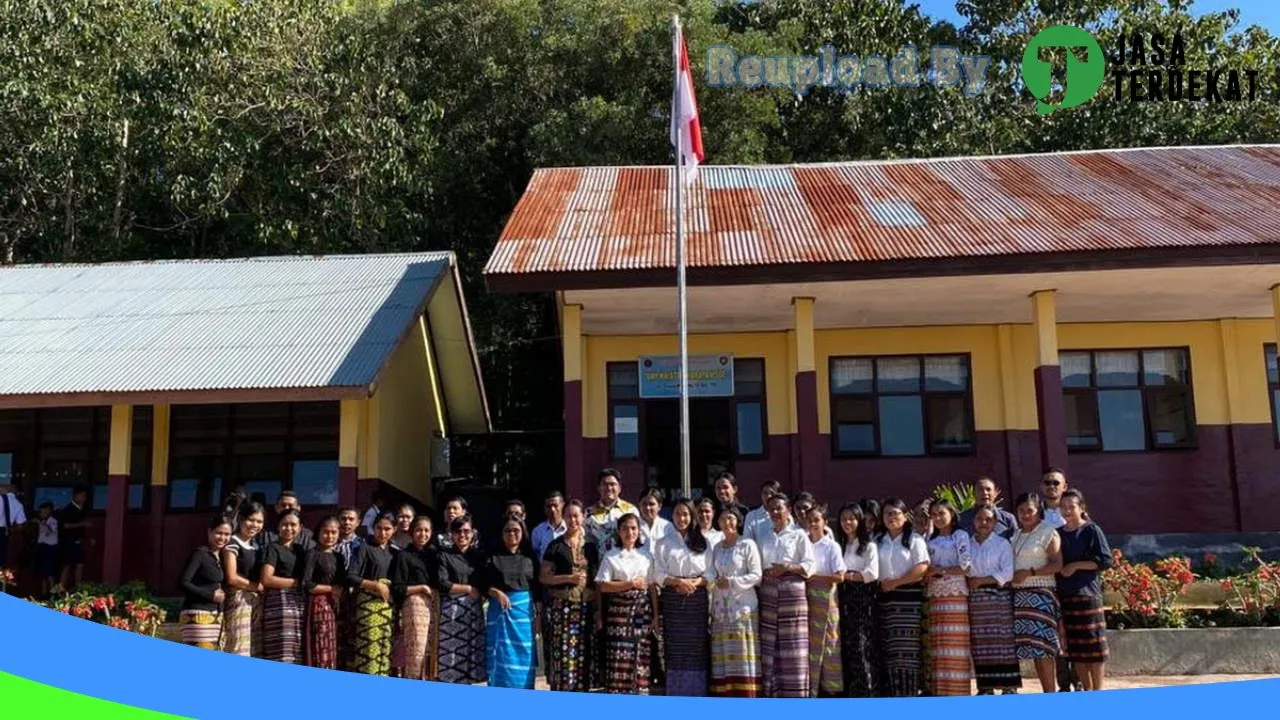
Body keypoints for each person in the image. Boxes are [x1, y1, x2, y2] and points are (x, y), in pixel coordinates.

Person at [757, 493, 815, 698]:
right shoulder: (764, 535)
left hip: (793, 591)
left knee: (793, 642)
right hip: (769, 591)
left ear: (788, 509)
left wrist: (788, 567)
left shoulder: (799, 534)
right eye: (771, 509)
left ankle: (796, 693)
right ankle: (772, 691)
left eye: (779, 508)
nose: (774, 512)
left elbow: (810, 565)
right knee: (770, 641)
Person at [540, 499, 600, 692]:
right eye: (569, 515)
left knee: (586, 650)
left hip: (587, 605)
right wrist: (568, 578)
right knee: (563, 651)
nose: (573, 519)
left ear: (583, 517)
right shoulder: (555, 546)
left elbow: (598, 578)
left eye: (576, 515)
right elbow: (544, 577)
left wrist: (599, 610)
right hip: (563, 606)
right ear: (564, 517)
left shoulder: (592, 544)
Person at [1056, 489, 1114, 691]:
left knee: (1094, 649)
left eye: (1071, 507)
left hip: (1088, 596)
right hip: (1067, 597)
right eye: (1063, 507)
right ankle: (1086, 690)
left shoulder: (1091, 530)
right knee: (1077, 650)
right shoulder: (1059, 534)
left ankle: (1098, 690)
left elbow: (1105, 560)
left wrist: (1076, 565)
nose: (1067, 511)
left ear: (1081, 508)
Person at [653, 498, 710, 696]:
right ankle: (676, 692)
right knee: (675, 649)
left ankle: (697, 693)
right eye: (677, 514)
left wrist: (693, 583)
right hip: (673, 600)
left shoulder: (704, 541)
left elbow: (710, 573)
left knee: (696, 649)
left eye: (685, 514)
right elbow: (657, 574)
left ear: (692, 516)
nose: (681, 518)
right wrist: (677, 582)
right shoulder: (663, 543)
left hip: (697, 600)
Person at [594, 513, 655, 695]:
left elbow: (651, 587)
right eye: (625, 528)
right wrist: (629, 584)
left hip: (641, 614)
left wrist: (655, 617)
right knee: (619, 657)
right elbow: (603, 585)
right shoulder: (611, 556)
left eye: (634, 528)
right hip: (618, 615)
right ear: (619, 532)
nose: (630, 532)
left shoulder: (646, 556)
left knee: (640, 657)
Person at [705, 506, 763, 697]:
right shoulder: (717, 547)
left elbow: (756, 575)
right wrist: (710, 579)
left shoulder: (747, 544)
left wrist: (731, 582)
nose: (727, 523)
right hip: (721, 610)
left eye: (731, 519)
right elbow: (712, 571)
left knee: (743, 655)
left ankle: (746, 697)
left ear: (738, 521)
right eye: (722, 519)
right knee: (724, 657)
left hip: (742, 609)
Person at [1010, 491, 1063, 693]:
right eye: (1021, 511)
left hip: (1040, 595)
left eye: (1030, 510)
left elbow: (1057, 564)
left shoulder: (1048, 532)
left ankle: (1051, 693)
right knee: (1034, 650)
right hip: (1020, 597)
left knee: (1044, 649)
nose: (1025, 514)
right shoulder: (1016, 534)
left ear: (1038, 510)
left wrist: (1030, 572)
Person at [876, 497, 930, 697]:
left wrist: (896, 582)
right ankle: (890, 690)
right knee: (888, 646)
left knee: (907, 648)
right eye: (887, 513)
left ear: (905, 516)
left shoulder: (915, 539)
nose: (891, 517)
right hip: (883, 600)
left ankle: (908, 691)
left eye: (895, 513)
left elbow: (922, 568)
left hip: (907, 599)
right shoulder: (878, 540)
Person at [967, 503, 1021, 695]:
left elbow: (1007, 573)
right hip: (976, 602)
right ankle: (986, 686)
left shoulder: (1002, 543)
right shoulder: (967, 544)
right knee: (981, 644)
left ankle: (1008, 686)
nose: (984, 523)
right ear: (973, 521)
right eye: (980, 519)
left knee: (1003, 642)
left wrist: (982, 580)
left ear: (995, 522)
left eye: (988, 519)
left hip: (998, 599)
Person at [484, 517, 538, 689]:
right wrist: (495, 592)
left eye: (516, 530)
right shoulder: (492, 557)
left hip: (523, 616)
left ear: (523, 532)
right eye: (507, 530)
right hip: (500, 613)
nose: (512, 534)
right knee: (501, 656)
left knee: (524, 655)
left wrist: (539, 616)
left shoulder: (530, 557)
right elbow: (480, 582)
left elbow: (537, 587)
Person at [925, 499, 973, 696]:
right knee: (939, 644)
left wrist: (942, 571)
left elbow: (965, 565)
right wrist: (930, 572)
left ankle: (958, 692)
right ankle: (941, 692)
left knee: (956, 644)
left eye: (941, 513)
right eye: (933, 514)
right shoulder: (930, 539)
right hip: (935, 596)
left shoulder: (960, 536)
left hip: (955, 595)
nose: (937, 518)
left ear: (951, 514)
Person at [1040, 468, 1079, 693]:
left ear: (1064, 486)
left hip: (1070, 581)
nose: (1051, 486)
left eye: (1056, 483)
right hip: (1046, 581)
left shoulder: (1072, 512)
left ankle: (1078, 679)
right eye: (1047, 482)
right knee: (1054, 634)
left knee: (1073, 631)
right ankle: (1063, 683)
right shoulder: (1037, 515)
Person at [436, 513, 487, 684]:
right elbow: (442, 583)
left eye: (466, 531)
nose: (462, 535)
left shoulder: (479, 556)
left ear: (473, 533)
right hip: (452, 614)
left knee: (472, 662)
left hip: (474, 613)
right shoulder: (444, 555)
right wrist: (467, 588)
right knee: (452, 661)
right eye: (458, 531)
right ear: (451, 534)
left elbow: (484, 583)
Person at [346, 513, 397, 675]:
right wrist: (376, 585)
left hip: (388, 607)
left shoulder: (393, 553)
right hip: (368, 607)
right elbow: (351, 576)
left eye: (387, 529)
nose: (383, 533)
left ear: (394, 529)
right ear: (373, 529)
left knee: (385, 649)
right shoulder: (365, 548)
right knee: (369, 650)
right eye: (379, 529)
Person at [836, 503, 879, 698]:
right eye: (843, 519)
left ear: (859, 520)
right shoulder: (840, 545)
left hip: (861, 598)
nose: (847, 522)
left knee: (861, 645)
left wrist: (849, 576)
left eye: (851, 518)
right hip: (842, 597)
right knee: (845, 645)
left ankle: (867, 691)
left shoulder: (868, 545)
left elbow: (872, 573)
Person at [805, 503, 846, 697]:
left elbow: (839, 576)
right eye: (810, 519)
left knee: (830, 642)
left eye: (816, 519)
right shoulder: (802, 543)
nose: (813, 523)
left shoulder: (832, 546)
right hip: (807, 601)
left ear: (824, 522)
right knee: (810, 645)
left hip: (827, 600)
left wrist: (814, 577)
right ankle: (812, 689)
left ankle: (831, 691)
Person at [390, 516, 437, 680]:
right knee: (416, 651)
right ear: (411, 532)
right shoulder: (403, 555)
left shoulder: (433, 555)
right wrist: (421, 588)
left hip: (434, 606)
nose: (422, 534)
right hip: (414, 606)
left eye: (426, 530)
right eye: (419, 530)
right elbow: (397, 588)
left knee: (432, 653)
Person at [300, 516, 347, 670]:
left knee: (334, 647)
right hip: (319, 605)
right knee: (321, 645)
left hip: (336, 605)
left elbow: (342, 582)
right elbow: (307, 584)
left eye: (334, 532)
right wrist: (330, 589)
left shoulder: (338, 557)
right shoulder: (312, 553)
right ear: (318, 533)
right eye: (326, 532)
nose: (330, 536)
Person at [261, 509, 306, 664]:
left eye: (293, 525)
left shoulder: (301, 550)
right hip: (279, 604)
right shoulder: (272, 548)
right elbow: (267, 579)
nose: (289, 528)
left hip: (299, 604)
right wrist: (297, 583)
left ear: (300, 527)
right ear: (278, 527)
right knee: (280, 648)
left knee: (297, 647)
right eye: (284, 524)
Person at [178, 517, 231, 649]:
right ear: (210, 532)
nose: (222, 538)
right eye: (219, 533)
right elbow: (183, 582)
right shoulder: (200, 554)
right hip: (197, 614)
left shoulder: (223, 557)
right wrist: (210, 595)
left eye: (226, 534)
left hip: (216, 616)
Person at [221, 502, 266, 657]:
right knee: (239, 647)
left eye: (259, 522)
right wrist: (256, 587)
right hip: (238, 600)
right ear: (240, 520)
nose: (255, 525)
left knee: (256, 648)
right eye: (251, 520)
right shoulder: (232, 542)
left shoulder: (257, 545)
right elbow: (232, 577)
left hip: (256, 602)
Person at [585, 468, 637, 553]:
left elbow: (638, 539)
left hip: (624, 561)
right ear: (598, 488)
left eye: (612, 484)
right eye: (604, 484)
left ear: (619, 488)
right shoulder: (589, 513)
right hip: (599, 563)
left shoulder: (631, 510)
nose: (609, 488)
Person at [57, 486, 91, 592]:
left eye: (85, 496)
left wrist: (88, 538)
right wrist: (82, 523)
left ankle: (78, 589)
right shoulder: (68, 509)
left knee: (79, 564)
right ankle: (60, 590)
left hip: (77, 540)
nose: (84, 498)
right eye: (82, 496)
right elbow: (65, 526)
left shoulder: (82, 510)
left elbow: (81, 529)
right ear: (76, 496)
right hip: (68, 541)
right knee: (67, 566)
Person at [531, 491, 567, 563]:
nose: (552, 509)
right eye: (549, 506)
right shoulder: (538, 531)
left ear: (562, 505)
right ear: (544, 508)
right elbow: (536, 556)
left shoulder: (570, 528)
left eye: (555, 505)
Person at [744, 479, 783, 544]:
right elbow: (747, 542)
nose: (768, 496)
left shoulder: (784, 515)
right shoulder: (752, 516)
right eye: (765, 493)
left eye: (772, 493)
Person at [0, 484, 27, 571]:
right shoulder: (19, 504)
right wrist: (10, 529)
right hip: (4, 533)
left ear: (5, 489)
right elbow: (20, 525)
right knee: (2, 560)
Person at [35, 501, 60, 596]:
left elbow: (51, 530)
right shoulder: (41, 521)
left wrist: (42, 523)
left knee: (50, 573)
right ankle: (43, 593)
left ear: (48, 511)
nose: (41, 513)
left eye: (43, 511)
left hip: (50, 548)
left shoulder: (53, 521)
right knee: (42, 573)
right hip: (42, 547)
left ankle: (52, 594)